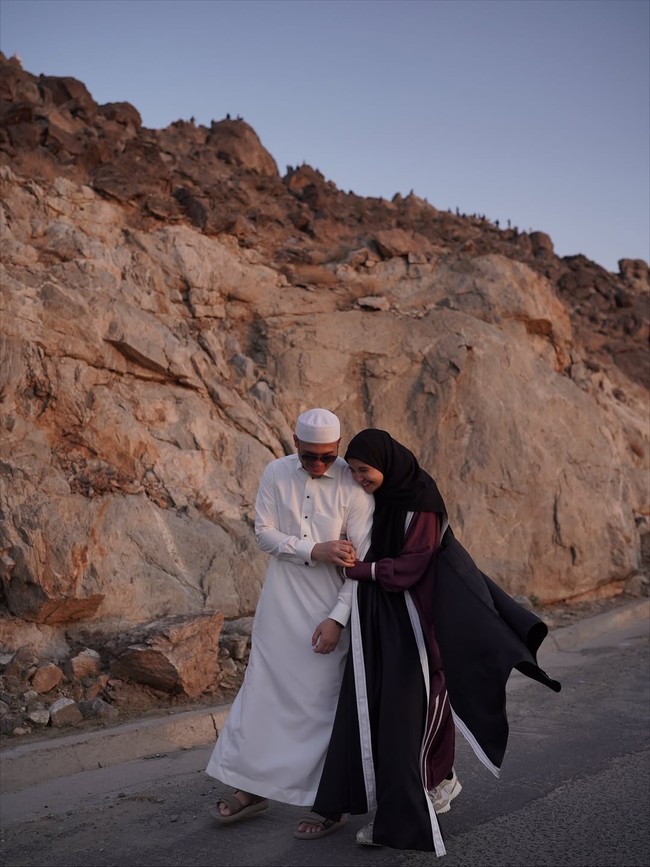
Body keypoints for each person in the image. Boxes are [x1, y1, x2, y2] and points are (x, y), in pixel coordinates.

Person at [304, 429, 561, 856]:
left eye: (365, 472)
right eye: (357, 473)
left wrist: (356, 572)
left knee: (408, 717)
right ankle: (439, 781)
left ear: (386, 464)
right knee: (398, 711)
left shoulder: (421, 503)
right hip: (387, 625)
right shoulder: (381, 499)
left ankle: (401, 817)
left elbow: (409, 568)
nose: (360, 480)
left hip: (422, 623)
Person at [205, 408, 374, 836]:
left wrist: (337, 619)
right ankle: (251, 789)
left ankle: (330, 803)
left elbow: (361, 564)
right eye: (310, 456)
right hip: (279, 606)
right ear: (295, 444)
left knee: (321, 706)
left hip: (326, 609)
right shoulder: (275, 473)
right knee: (263, 695)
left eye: (327, 457)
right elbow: (262, 533)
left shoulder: (353, 487)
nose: (319, 465)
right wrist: (314, 550)